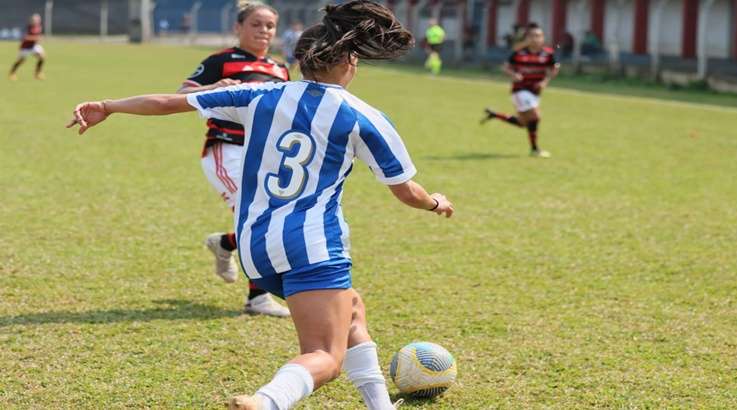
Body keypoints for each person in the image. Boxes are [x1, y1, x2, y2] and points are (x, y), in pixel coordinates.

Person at [66, 1, 454, 409]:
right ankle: (266, 402)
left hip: (256, 248)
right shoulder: (363, 116)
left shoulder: (260, 95)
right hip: (312, 247)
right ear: (348, 62)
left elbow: (168, 102)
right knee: (325, 355)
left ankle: (379, 406)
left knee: (352, 309)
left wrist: (108, 106)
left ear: (302, 60)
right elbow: (405, 190)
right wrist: (435, 203)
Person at [177, 3, 290, 317]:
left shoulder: (281, 69)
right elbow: (183, 92)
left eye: (270, 25)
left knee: (267, 220)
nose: (264, 31)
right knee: (259, 219)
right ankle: (258, 298)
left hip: (264, 153)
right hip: (226, 151)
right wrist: (214, 87)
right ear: (238, 27)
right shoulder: (221, 61)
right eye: (256, 24)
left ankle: (226, 244)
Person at [481, 23, 559, 158]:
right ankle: (535, 150)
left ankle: (495, 115)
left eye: (538, 36)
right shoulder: (519, 53)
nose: (536, 38)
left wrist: (545, 82)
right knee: (535, 117)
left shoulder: (548, 54)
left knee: (523, 123)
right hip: (520, 90)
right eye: (533, 36)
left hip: (535, 92)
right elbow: (505, 67)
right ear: (527, 38)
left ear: (543, 38)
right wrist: (513, 75)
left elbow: (555, 68)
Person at [8, 14, 45, 81]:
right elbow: (25, 37)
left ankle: (37, 73)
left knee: (42, 57)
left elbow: (37, 37)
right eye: (35, 20)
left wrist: (37, 40)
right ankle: (12, 73)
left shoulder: (39, 27)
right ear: (32, 20)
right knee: (21, 61)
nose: (36, 21)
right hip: (25, 46)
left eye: (38, 20)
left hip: (33, 46)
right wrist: (34, 38)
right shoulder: (28, 27)